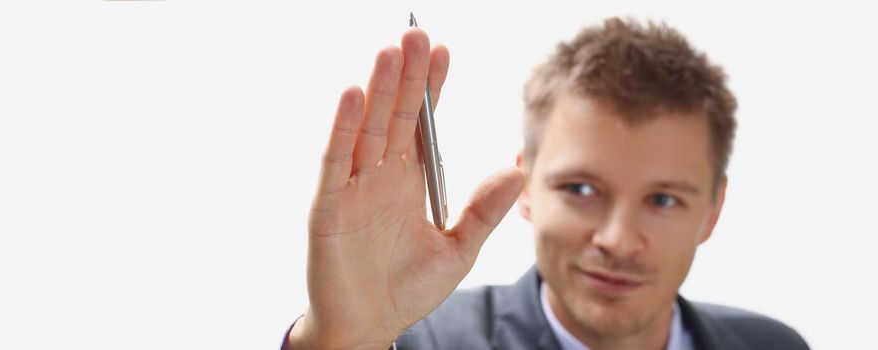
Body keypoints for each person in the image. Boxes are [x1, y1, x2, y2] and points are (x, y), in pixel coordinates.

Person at [283, 17, 809, 350]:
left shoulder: (774, 345)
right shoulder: (417, 343)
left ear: (712, 212)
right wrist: (341, 340)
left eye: (664, 199)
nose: (617, 240)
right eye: (580, 189)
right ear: (528, 187)